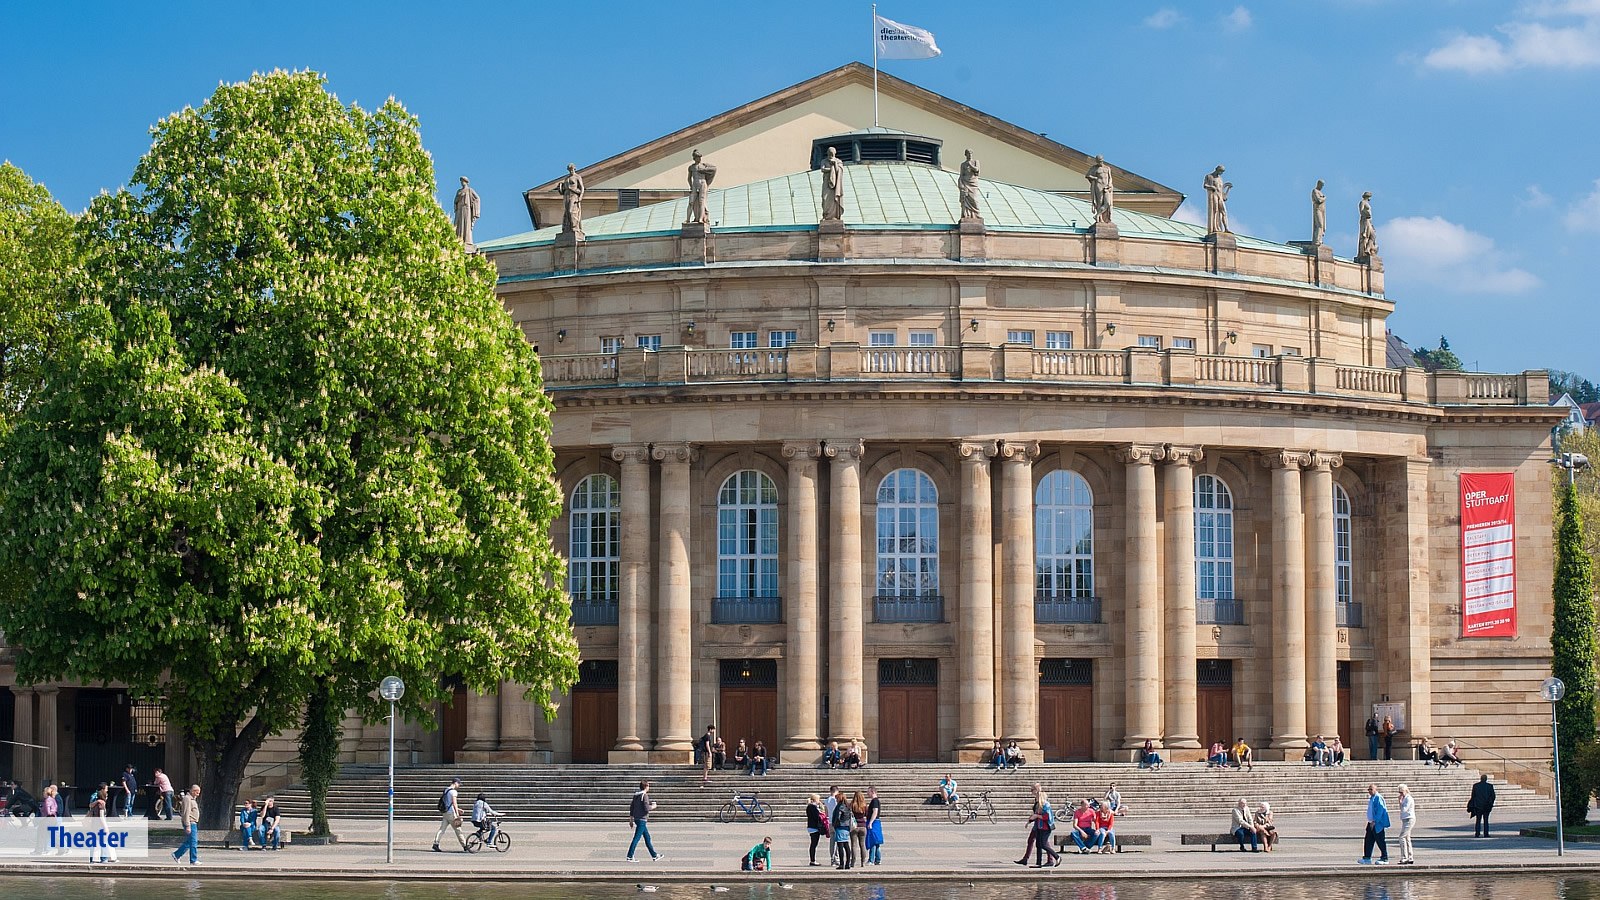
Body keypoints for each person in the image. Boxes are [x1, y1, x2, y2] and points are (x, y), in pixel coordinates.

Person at [628, 779, 662, 862]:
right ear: (646, 786)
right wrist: (653, 806)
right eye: (648, 785)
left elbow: (632, 807)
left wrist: (631, 819)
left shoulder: (636, 795)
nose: (649, 787)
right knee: (636, 838)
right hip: (642, 819)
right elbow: (646, 809)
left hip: (637, 818)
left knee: (647, 838)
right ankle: (630, 856)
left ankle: (654, 855)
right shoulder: (644, 796)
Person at [1359, 782, 1391, 865]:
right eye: (1368, 789)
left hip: (1377, 823)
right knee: (1368, 840)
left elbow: (1380, 810)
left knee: (1380, 840)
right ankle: (1367, 857)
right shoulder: (1372, 798)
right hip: (1371, 822)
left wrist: (1375, 821)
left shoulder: (1378, 798)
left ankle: (1384, 857)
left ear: (1375, 790)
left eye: (1371, 789)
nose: (1369, 791)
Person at [432, 777, 465, 852]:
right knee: (458, 830)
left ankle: (436, 843)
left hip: (445, 812)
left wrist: (458, 809)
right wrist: (457, 814)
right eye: (459, 784)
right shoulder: (454, 792)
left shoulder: (446, 790)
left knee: (442, 829)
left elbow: (448, 802)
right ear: (455, 783)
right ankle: (465, 845)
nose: (459, 786)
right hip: (451, 813)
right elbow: (454, 803)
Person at [171, 784, 201, 866]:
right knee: (193, 842)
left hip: (193, 822)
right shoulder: (187, 799)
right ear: (193, 791)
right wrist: (187, 825)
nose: (198, 795)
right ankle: (193, 860)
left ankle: (177, 854)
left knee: (189, 841)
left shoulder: (192, 799)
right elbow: (186, 813)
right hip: (190, 822)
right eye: (197, 793)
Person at [86, 787, 117, 863]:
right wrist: (105, 827)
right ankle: (104, 858)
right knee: (104, 842)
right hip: (100, 826)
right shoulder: (101, 804)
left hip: (93, 825)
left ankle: (91, 859)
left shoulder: (94, 803)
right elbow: (101, 816)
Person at [831, 789, 855, 869]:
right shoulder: (847, 806)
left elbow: (838, 817)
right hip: (847, 827)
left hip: (840, 826)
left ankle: (842, 864)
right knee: (846, 845)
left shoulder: (839, 806)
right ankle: (848, 863)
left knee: (840, 845)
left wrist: (834, 825)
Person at [1395, 783, 1417, 865]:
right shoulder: (1405, 798)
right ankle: (1410, 857)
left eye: (1402, 792)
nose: (1401, 794)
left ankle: (1404, 857)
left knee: (1402, 837)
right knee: (1407, 838)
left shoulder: (1408, 799)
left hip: (1409, 819)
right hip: (1405, 819)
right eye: (1399, 792)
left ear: (1405, 790)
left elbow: (1404, 809)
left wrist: (1400, 802)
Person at [848, 790, 869, 869]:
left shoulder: (852, 805)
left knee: (854, 845)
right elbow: (867, 815)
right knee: (862, 845)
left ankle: (853, 862)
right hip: (862, 826)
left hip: (854, 826)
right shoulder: (864, 805)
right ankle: (863, 862)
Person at [805, 793, 828, 866]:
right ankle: (812, 860)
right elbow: (816, 817)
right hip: (814, 827)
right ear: (815, 800)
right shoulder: (812, 807)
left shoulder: (811, 806)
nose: (819, 801)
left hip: (811, 826)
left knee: (814, 844)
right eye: (819, 799)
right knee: (814, 844)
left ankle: (812, 860)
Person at [864, 786, 883, 865]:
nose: (867, 793)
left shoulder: (875, 801)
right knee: (876, 842)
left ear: (872, 792)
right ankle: (878, 859)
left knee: (873, 841)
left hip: (874, 822)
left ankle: (871, 859)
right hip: (876, 822)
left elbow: (875, 811)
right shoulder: (876, 801)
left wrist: (870, 822)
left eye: (868, 792)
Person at [824, 785, 841, 867]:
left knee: (832, 841)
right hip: (837, 822)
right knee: (838, 841)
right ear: (837, 791)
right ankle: (836, 858)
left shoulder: (826, 800)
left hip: (830, 822)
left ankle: (832, 859)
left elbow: (826, 813)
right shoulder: (837, 800)